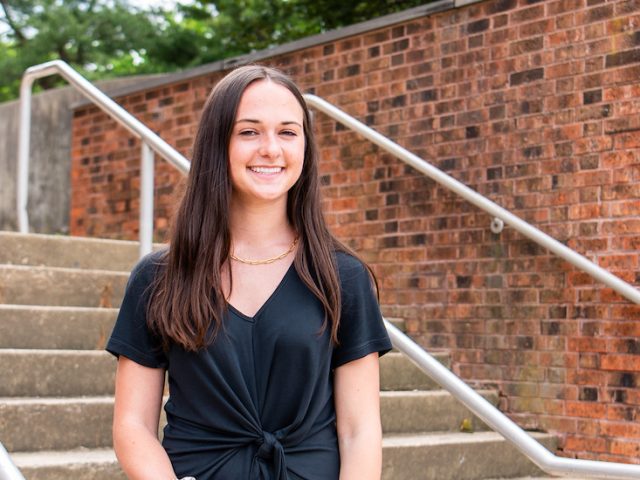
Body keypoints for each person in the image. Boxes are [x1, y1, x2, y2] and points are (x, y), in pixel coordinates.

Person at [107, 64, 392, 480]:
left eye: (288, 132)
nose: (271, 149)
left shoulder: (343, 277)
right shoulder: (159, 277)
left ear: (306, 149)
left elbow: (360, 431)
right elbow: (132, 424)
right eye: (249, 131)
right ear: (217, 144)